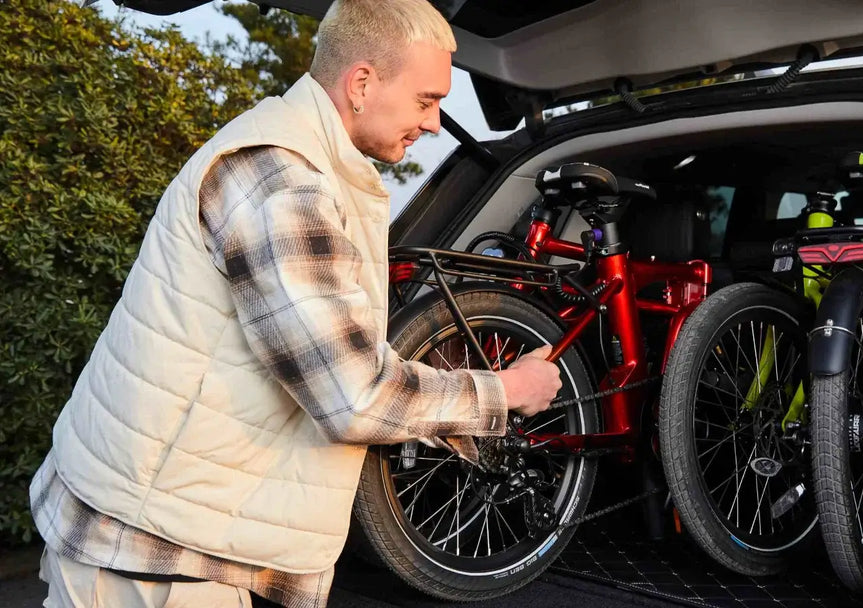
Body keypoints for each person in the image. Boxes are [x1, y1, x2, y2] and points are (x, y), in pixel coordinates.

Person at [29, 0, 562, 606]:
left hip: (156, 530)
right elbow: (355, 395)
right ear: (361, 83)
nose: (437, 123)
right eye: (426, 99)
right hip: (154, 557)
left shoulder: (300, 157)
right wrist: (506, 393)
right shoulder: (283, 184)